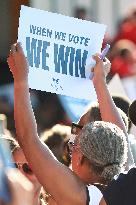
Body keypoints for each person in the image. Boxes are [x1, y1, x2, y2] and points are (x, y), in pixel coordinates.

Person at [7, 42, 129, 205]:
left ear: (79, 160)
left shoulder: (79, 196)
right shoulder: (125, 178)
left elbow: (28, 139)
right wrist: (99, 82)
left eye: (74, 146)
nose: (70, 145)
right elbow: (119, 134)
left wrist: (21, 80)